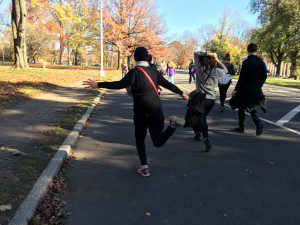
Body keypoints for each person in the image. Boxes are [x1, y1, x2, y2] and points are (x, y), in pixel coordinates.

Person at [83, 47, 189, 177]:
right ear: (147, 58)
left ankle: (144, 167)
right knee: (157, 142)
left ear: (135, 58)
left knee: (140, 138)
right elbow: (168, 84)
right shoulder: (154, 72)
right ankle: (172, 126)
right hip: (156, 110)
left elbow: (119, 84)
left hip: (141, 112)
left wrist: (98, 84)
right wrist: (181, 92)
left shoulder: (134, 72)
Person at [193, 52, 228, 152]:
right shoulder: (216, 71)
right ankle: (199, 133)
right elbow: (226, 70)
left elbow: (196, 53)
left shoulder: (198, 68)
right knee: (201, 117)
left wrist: (208, 53)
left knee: (201, 118)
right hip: (211, 100)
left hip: (200, 99)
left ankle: (206, 140)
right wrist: (216, 59)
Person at [230, 43, 267, 136]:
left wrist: (236, 89)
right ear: (256, 51)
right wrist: (259, 85)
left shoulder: (246, 62)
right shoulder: (261, 62)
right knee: (250, 106)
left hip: (245, 89)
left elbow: (242, 77)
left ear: (247, 51)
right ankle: (257, 123)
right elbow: (264, 76)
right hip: (256, 88)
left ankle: (242, 126)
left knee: (241, 106)